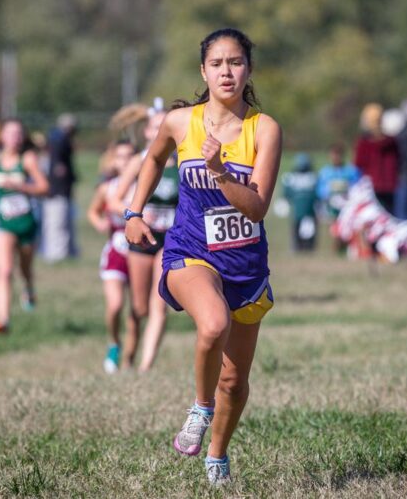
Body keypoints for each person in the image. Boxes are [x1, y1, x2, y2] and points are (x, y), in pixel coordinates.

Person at [125, 27, 282, 485]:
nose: (226, 72)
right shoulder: (180, 123)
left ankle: (217, 455)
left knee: (235, 380)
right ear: (203, 71)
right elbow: (153, 160)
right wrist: (134, 211)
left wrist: (220, 172)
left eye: (235, 62)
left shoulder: (264, 129)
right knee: (213, 323)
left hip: (246, 266)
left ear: (248, 69)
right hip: (191, 252)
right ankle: (200, 407)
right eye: (217, 64)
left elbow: (256, 207)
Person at [111, 107, 178, 372]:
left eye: (165, 125)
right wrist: (135, 215)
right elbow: (115, 200)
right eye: (155, 126)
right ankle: (129, 353)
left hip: (170, 239)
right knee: (139, 307)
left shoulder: (183, 162)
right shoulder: (139, 162)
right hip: (140, 240)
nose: (160, 130)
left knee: (158, 303)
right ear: (148, 132)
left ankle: (146, 366)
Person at [0, 118, 49, 333]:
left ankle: (28, 287)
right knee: (5, 270)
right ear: (2, 137)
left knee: (25, 267)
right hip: (2, 221)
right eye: (10, 133)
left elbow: (44, 187)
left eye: (18, 134)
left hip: (26, 221)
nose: (14, 138)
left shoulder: (28, 160)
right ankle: (3, 319)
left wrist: (21, 186)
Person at [87, 140, 136, 373]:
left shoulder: (145, 185)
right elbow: (93, 211)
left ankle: (130, 358)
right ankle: (114, 343)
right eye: (120, 157)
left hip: (140, 254)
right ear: (114, 161)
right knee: (116, 305)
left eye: (129, 156)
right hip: (116, 252)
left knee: (138, 310)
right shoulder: (107, 188)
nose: (125, 161)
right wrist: (99, 223)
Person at [42, 113, 78, 262]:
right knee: (58, 224)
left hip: (62, 190)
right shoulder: (59, 139)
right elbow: (58, 164)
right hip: (58, 191)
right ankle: (57, 254)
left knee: (62, 223)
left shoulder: (58, 138)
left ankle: (66, 253)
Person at [353, 102, 399, 213]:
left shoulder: (364, 143)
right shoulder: (392, 142)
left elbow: (358, 164)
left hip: (371, 188)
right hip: (390, 186)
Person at [282, 153, 318, 251]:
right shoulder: (290, 177)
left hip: (310, 211)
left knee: (311, 232)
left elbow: (317, 194)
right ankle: (297, 248)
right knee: (296, 230)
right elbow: (286, 194)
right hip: (297, 212)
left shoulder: (313, 177)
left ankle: (309, 248)